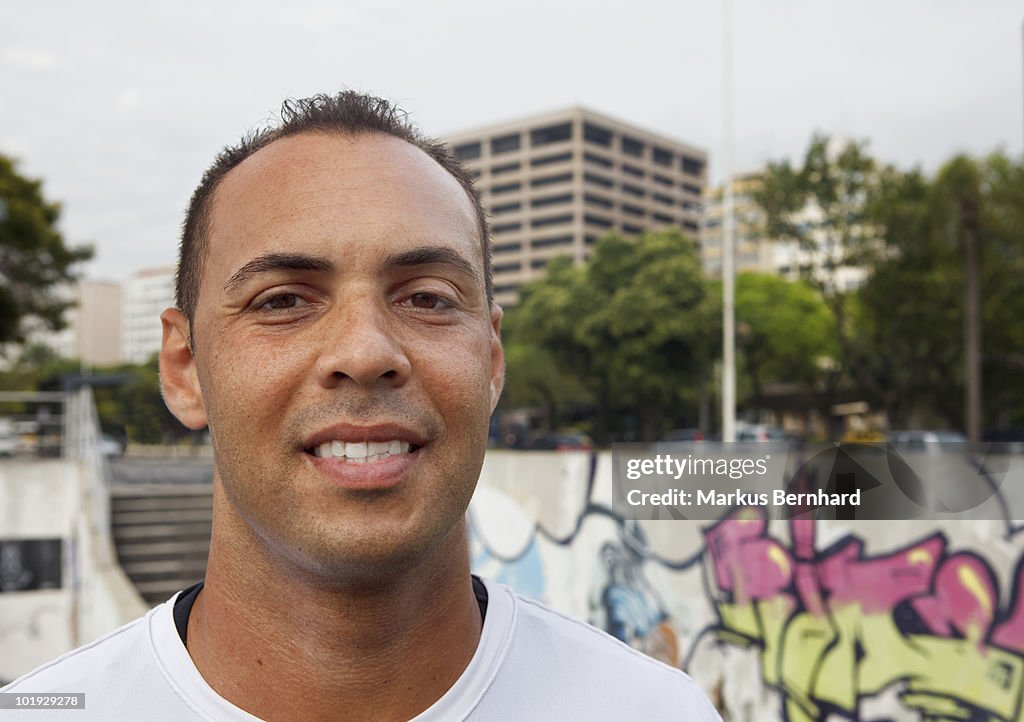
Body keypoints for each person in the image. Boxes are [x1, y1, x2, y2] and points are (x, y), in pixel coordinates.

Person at [2, 91, 721, 721]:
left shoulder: (655, 711)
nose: (366, 350)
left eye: (428, 298)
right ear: (185, 368)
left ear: (492, 361)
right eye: (282, 300)